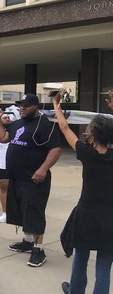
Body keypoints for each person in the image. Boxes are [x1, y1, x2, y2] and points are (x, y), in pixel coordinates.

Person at [0, 93, 62, 267]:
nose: (22, 108)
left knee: (34, 212)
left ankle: (38, 249)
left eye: (26, 105)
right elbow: (3, 138)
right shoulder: (18, 123)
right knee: (21, 211)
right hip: (17, 177)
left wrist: (43, 169)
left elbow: (55, 149)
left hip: (34, 178)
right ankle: (28, 241)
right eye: (20, 105)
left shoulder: (45, 125)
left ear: (36, 107)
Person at [56, 90, 113, 294]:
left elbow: (64, 127)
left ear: (94, 136)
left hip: (87, 214)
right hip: (110, 216)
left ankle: (75, 291)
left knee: (81, 257)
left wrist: (56, 105)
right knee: (104, 265)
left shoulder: (87, 154)